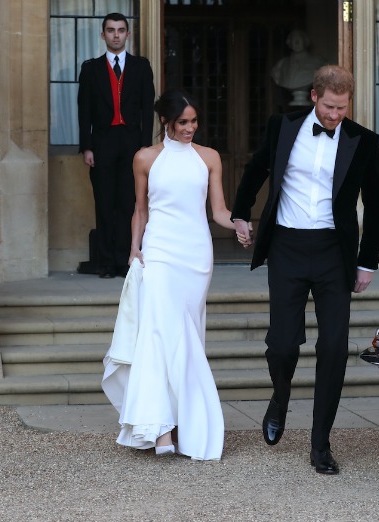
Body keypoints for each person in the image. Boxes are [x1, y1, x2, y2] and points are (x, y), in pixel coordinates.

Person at [231, 65, 379, 475]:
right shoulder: (283, 126)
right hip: (287, 246)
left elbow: (377, 202)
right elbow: (256, 168)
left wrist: (367, 262)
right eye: (330, 106)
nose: (336, 114)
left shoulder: (363, 141)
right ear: (315, 96)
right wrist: (240, 214)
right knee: (282, 344)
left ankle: (321, 445)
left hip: (335, 253)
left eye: (343, 107)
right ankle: (280, 397)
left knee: (333, 349)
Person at [101, 89, 247, 460]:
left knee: (188, 336)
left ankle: (180, 422)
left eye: (194, 121)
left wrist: (239, 224)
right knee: (158, 333)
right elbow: (141, 210)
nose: (190, 128)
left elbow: (218, 210)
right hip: (159, 252)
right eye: (183, 122)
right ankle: (161, 428)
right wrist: (135, 248)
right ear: (166, 122)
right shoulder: (145, 158)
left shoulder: (209, 158)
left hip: (196, 256)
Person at [78, 12, 155, 278]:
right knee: (104, 202)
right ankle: (106, 263)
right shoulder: (90, 68)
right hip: (102, 142)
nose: (116, 35)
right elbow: (83, 110)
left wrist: (146, 147)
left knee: (129, 203)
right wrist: (87, 146)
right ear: (103, 35)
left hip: (133, 144)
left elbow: (148, 109)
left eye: (121, 30)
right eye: (110, 30)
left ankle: (126, 259)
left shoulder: (141, 67)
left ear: (127, 34)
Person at [271, 30, 325, 105]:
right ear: (289, 43)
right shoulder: (281, 65)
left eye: (299, 39)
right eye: (293, 39)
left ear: (305, 41)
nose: (296, 42)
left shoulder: (317, 62)